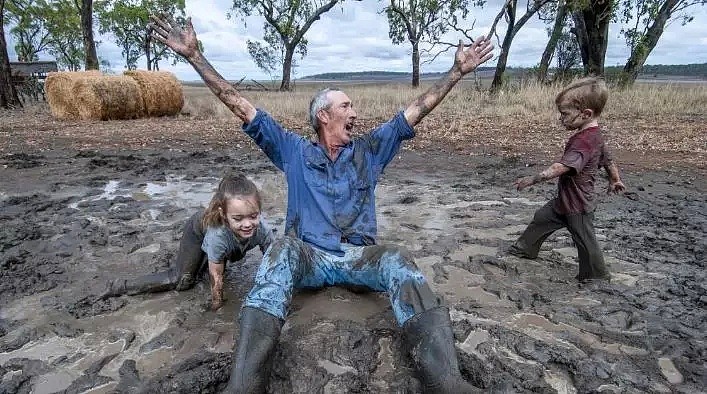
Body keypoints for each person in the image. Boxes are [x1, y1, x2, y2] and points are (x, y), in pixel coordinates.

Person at [149, 14, 493, 393]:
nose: (355, 113)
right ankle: (245, 385)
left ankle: (447, 382)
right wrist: (195, 57)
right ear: (323, 115)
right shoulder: (293, 151)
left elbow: (417, 109)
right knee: (280, 251)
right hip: (308, 258)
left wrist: (457, 72)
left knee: (398, 259)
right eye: (346, 106)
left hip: (359, 260)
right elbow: (240, 106)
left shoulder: (370, 151)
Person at [508, 77, 626, 282]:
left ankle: (596, 275)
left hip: (578, 204)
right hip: (565, 200)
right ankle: (525, 248)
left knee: (585, 239)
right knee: (542, 218)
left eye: (564, 114)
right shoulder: (595, 135)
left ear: (586, 114)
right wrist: (615, 179)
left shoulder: (584, 142)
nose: (560, 119)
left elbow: (560, 167)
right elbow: (607, 159)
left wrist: (532, 180)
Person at [102, 173, 274, 311]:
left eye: (253, 216)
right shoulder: (218, 235)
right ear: (223, 214)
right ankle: (120, 287)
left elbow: (275, 261)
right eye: (238, 218)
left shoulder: (262, 230)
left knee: (217, 260)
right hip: (197, 231)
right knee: (183, 281)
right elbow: (216, 275)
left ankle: (208, 258)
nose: (247, 224)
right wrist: (217, 305)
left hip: (224, 240)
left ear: (259, 211)